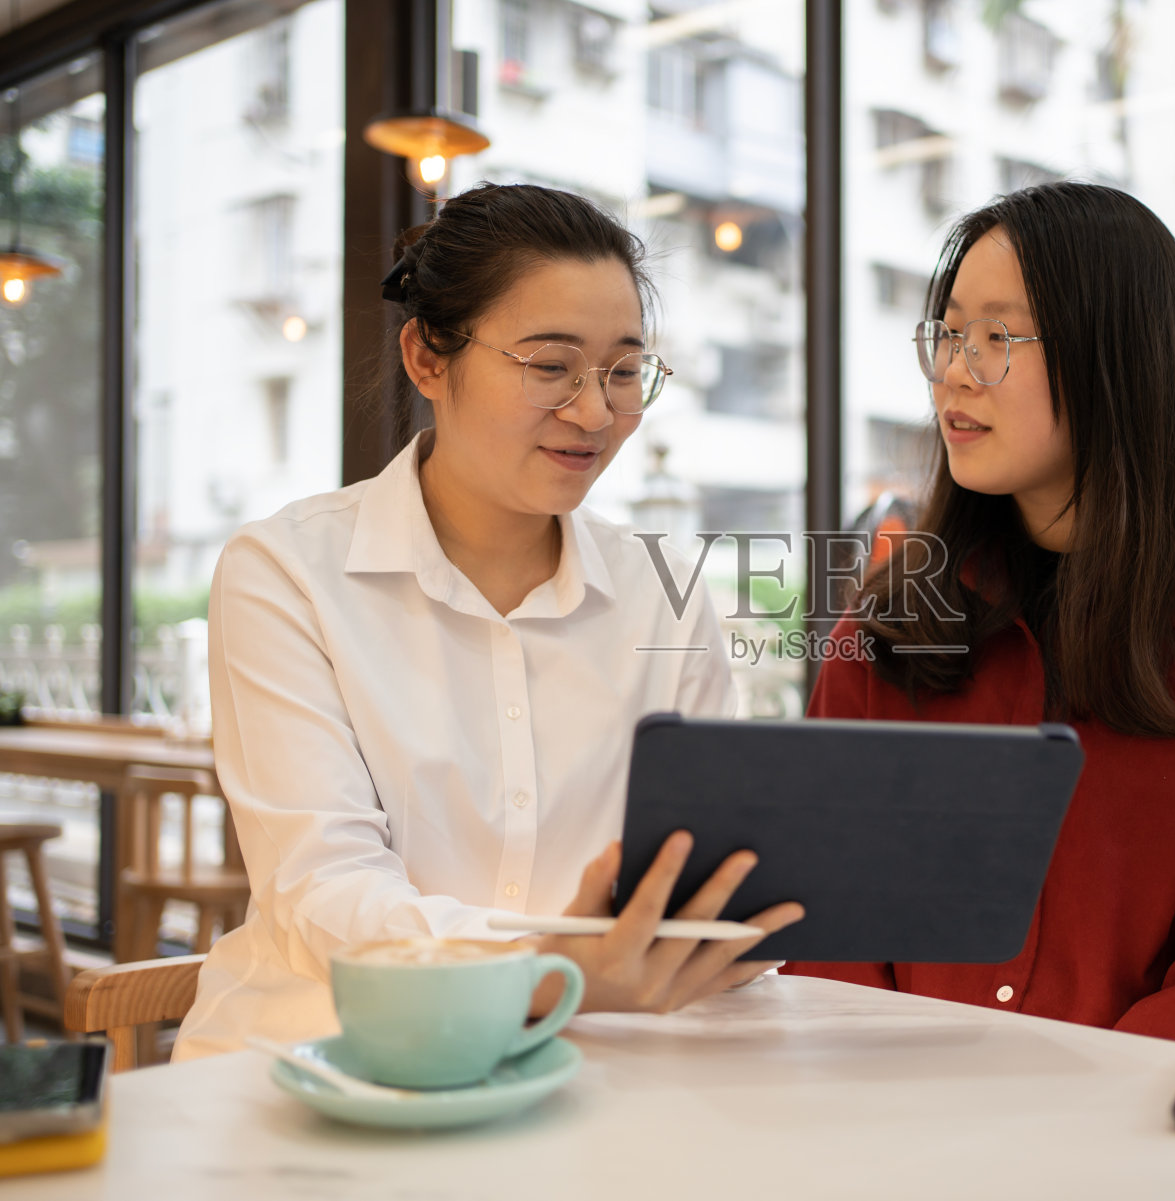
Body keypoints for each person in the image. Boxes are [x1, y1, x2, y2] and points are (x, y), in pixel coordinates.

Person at [174, 183, 802, 1060]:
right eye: (550, 366)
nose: (594, 412)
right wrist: (551, 966)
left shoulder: (661, 593)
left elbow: (709, 879)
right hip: (321, 1065)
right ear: (428, 360)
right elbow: (326, 887)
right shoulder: (286, 573)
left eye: (623, 371)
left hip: (588, 1069)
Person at [784, 182, 1175, 1049]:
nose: (953, 370)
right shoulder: (891, 628)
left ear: (1117, 358)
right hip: (919, 1138)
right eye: (948, 333)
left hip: (1170, 1144)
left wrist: (1070, 1117)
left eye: (997, 338)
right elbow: (834, 930)